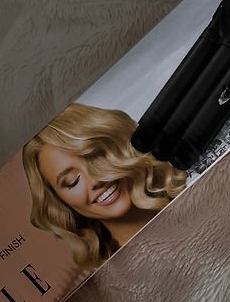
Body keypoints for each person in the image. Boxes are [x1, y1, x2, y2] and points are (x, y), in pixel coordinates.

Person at [22, 102, 188, 270]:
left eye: (96, 156)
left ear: (118, 142)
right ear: (60, 201)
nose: (95, 181)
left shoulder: (193, 188)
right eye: (72, 181)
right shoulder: (113, 279)